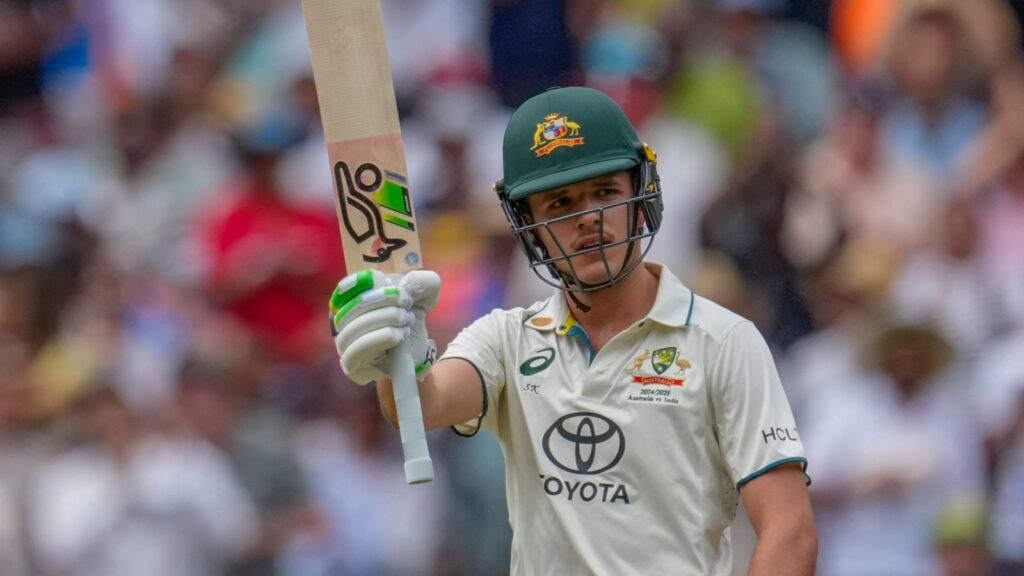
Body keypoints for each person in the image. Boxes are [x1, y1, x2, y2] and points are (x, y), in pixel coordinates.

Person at [328, 86, 817, 575]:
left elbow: (790, 533)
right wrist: (396, 347)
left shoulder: (724, 342)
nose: (587, 219)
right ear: (529, 225)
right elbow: (422, 405)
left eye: (605, 192)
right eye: (559, 204)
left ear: (640, 194)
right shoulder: (507, 339)